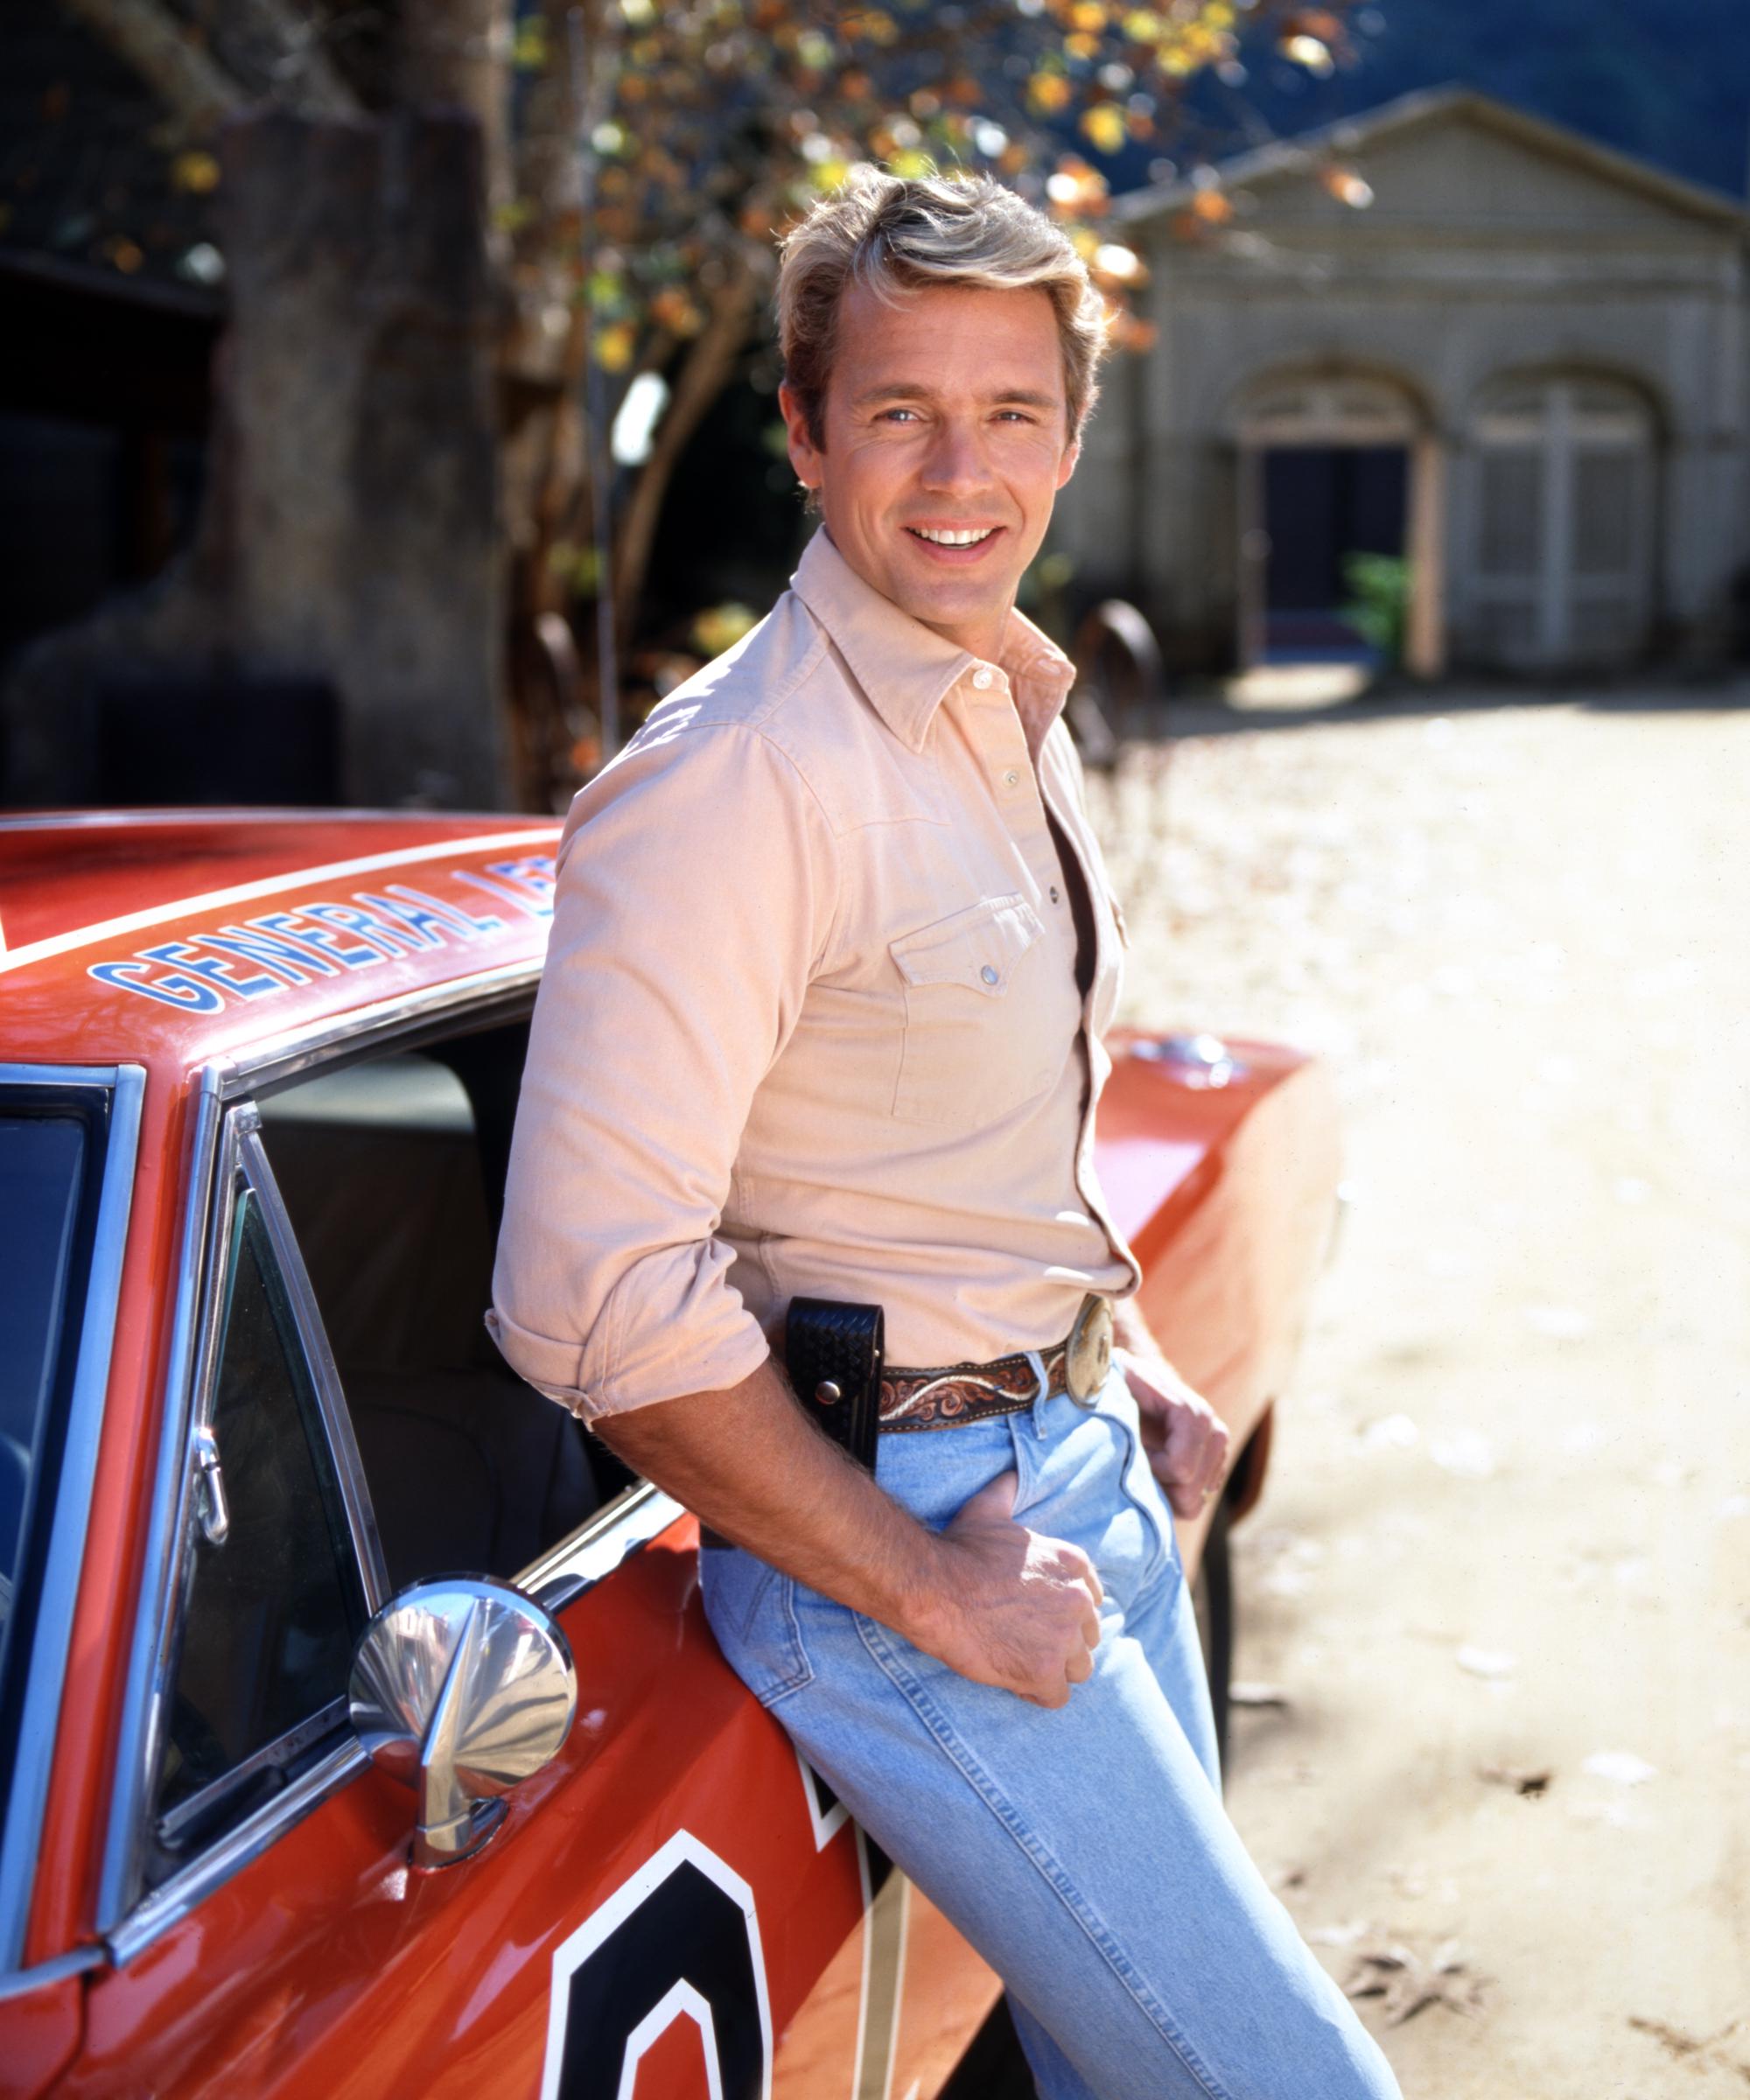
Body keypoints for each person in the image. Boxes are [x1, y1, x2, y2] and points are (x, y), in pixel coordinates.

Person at [489, 165, 1402, 2100]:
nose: (955, 468)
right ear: (808, 435)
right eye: (898, 409)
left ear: (1072, 434)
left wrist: (1122, 1346)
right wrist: (925, 1592)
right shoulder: (735, 783)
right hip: (892, 1553)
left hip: (1076, 1470)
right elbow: (586, 1301)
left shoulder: (1005, 697)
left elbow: (983, 1114)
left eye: (1008, 411)